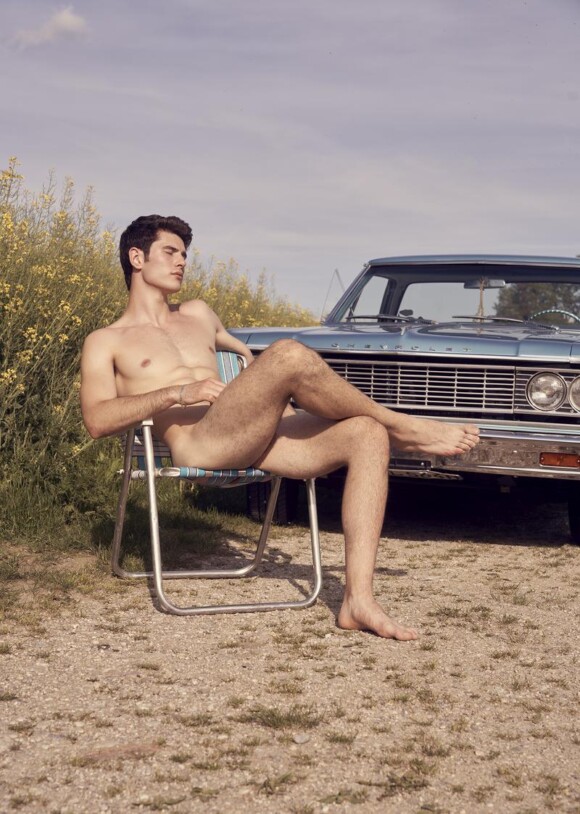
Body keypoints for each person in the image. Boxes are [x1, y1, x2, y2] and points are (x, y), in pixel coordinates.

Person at [80, 215, 480, 641]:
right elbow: (97, 420)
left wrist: (254, 376)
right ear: (136, 257)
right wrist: (177, 393)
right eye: (170, 252)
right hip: (201, 444)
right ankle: (403, 425)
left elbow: (241, 353)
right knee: (288, 353)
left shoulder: (198, 313)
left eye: (184, 254)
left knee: (366, 433)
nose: (182, 262)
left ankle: (358, 601)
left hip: (255, 436)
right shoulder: (107, 340)